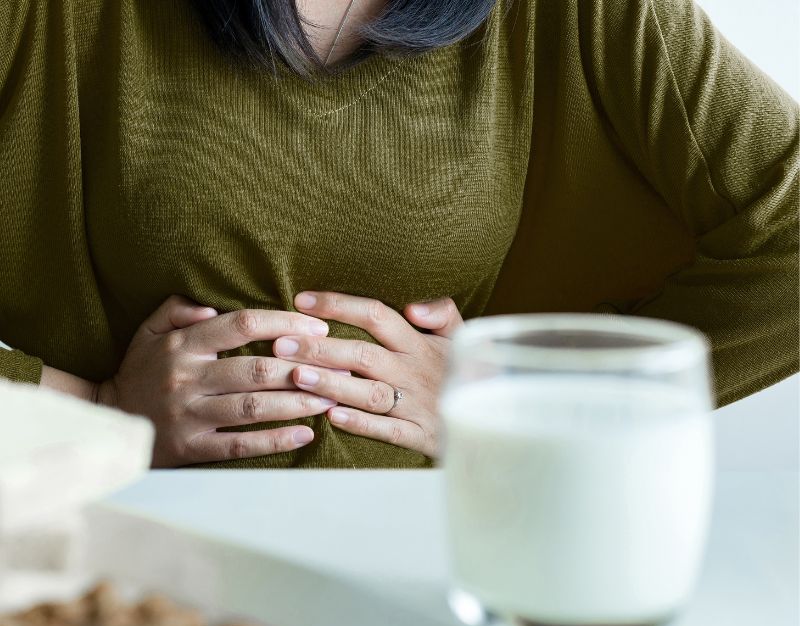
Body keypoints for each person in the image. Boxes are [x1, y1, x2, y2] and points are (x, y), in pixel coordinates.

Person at [1, 0, 797, 468]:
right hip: (107, 567)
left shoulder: (582, 15)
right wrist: (90, 412)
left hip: (447, 577)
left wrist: (523, 398)